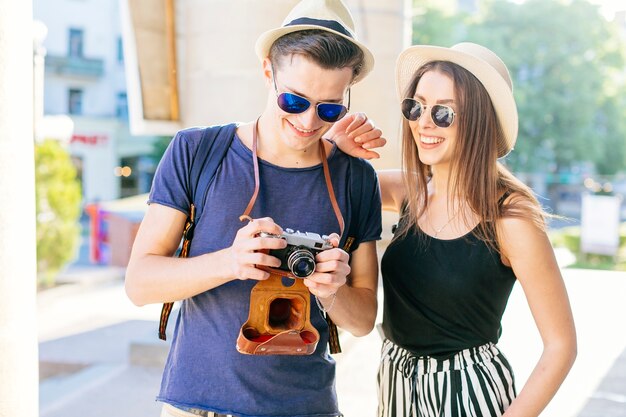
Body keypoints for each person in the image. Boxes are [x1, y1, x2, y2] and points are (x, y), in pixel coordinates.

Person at [124, 1, 383, 416]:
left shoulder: (355, 179)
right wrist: (231, 261)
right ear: (268, 72)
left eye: (330, 108)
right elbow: (139, 283)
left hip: (306, 407)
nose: (310, 121)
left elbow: (364, 319)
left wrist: (332, 291)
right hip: (197, 406)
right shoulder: (197, 152)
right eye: (295, 101)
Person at [336, 42, 577, 416]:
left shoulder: (510, 219)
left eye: (444, 112)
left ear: (481, 120)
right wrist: (336, 145)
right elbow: (326, 185)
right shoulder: (406, 190)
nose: (424, 122)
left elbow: (561, 346)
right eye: (415, 106)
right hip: (396, 384)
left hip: (468, 392)